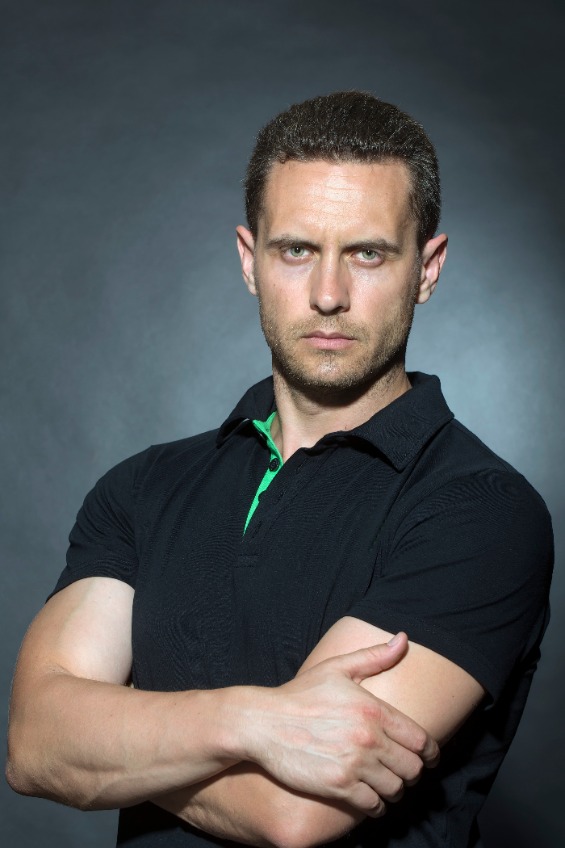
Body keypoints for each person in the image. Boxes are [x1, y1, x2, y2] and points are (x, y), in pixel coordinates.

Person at [6, 91, 553, 848]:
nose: (328, 295)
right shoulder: (144, 488)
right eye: (296, 250)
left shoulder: (480, 509)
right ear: (249, 260)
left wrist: (114, 739)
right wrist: (253, 720)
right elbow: (33, 745)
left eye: (367, 254)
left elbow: (293, 812)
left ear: (427, 269)